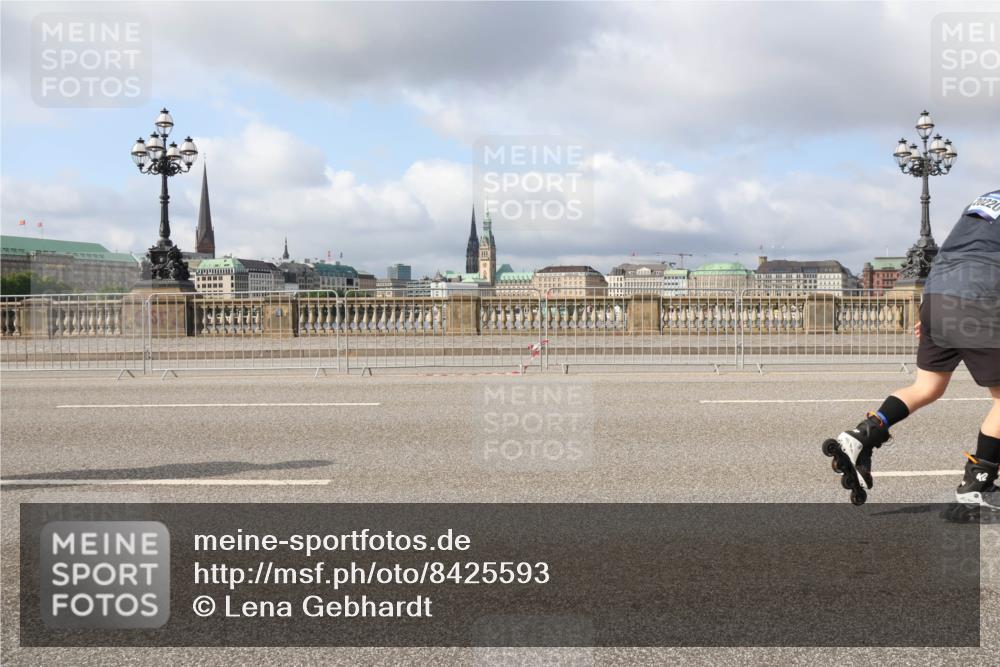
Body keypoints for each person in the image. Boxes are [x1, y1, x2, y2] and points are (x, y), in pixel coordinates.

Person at [825, 189, 1000, 514]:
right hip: (980, 297)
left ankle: (862, 435)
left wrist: (931, 310)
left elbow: (949, 252)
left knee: (927, 387)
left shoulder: (984, 200)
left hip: (939, 294)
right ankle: (977, 488)